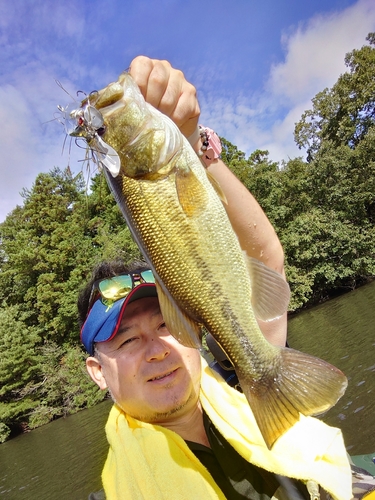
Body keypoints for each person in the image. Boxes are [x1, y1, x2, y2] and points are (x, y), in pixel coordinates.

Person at [78, 57, 354, 500]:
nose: (155, 351)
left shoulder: (235, 380)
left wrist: (192, 141)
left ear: (189, 335)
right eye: (127, 341)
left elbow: (265, 255)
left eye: (167, 325)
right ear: (97, 371)